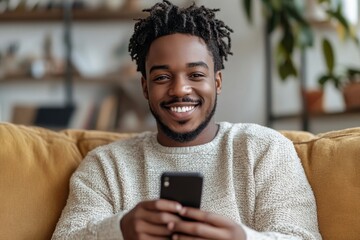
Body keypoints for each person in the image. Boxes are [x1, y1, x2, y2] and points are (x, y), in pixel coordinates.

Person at [52, 1, 322, 239]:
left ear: (217, 81)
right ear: (145, 88)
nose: (180, 89)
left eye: (195, 75)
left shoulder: (265, 150)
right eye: (162, 77)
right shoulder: (106, 166)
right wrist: (120, 231)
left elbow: (302, 236)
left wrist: (242, 239)